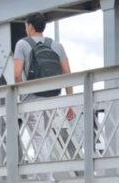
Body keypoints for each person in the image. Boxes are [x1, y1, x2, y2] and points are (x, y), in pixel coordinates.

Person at [13, 12, 75, 168]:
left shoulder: (22, 44)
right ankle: (47, 175)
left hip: (32, 99)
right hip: (52, 97)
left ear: (30, 26)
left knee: (38, 138)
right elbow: (68, 74)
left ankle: (46, 178)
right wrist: (70, 102)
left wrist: (22, 94)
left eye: (26, 26)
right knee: (45, 136)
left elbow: (17, 75)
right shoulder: (56, 45)